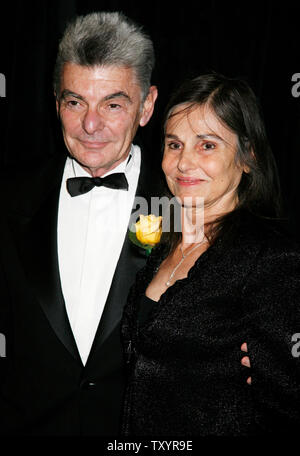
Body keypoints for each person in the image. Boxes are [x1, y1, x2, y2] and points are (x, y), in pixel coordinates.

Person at [0, 11, 161, 435]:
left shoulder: (188, 206)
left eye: (113, 104)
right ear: (56, 104)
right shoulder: (10, 200)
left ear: (146, 106)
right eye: (75, 102)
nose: (91, 125)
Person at [121, 73, 300, 435]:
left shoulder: (270, 258)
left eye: (207, 145)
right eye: (174, 145)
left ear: (248, 156)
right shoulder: (167, 243)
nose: (184, 163)